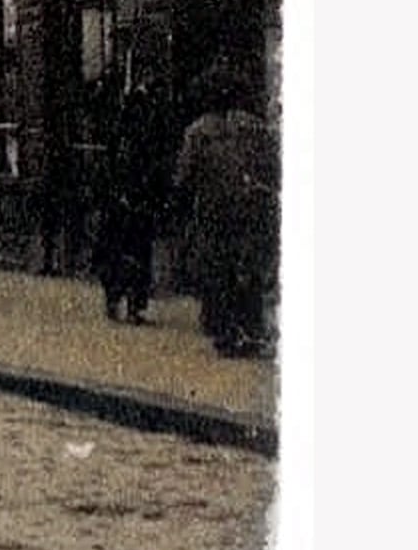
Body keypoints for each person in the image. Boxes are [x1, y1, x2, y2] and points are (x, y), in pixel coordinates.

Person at [170, 71, 279, 359]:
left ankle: (226, 334)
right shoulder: (255, 128)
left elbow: (183, 176)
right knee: (248, 271)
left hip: (213, 212)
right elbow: (272, 167)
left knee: (218, 271)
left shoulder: (197, 132)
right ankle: (251, 331)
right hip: (250, 209)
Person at [91, 86, 168, 325]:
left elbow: (106, 170)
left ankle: (114, 300)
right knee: (137, 254)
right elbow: (152, 173)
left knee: (115, 253)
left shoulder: (117, 136)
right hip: (137, 205)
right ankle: (134, 306)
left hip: (117, 205)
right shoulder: (147, 139)